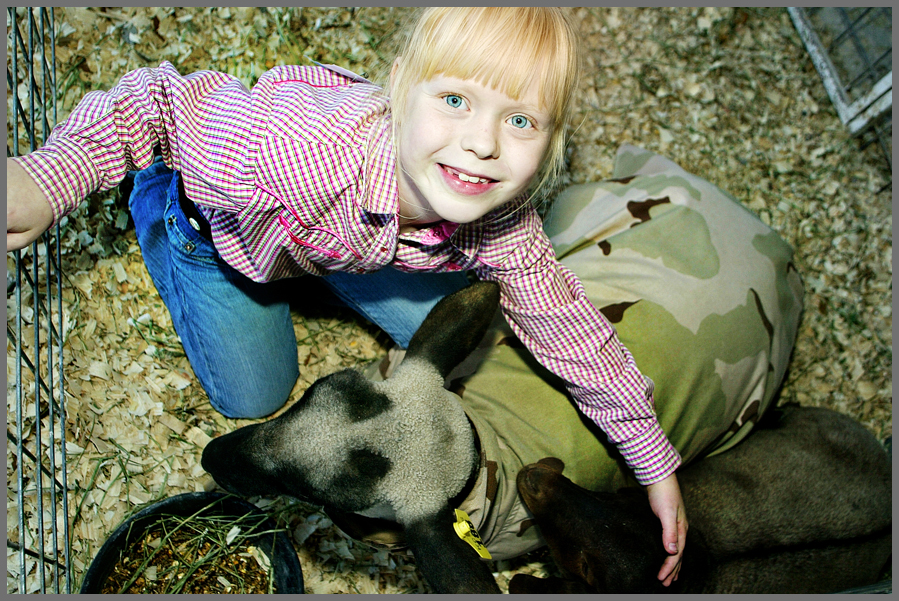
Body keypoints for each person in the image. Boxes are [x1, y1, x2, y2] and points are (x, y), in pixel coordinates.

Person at [7, 7, 686, 585]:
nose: (481, 143)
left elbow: (569, 328)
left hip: (359, 237)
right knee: (252, 396)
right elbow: (154, 101)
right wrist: (54, 174)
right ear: (401, 87)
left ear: (552, 141)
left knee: (472, 332)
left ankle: (338, 253)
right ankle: (161, 206)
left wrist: (651, 459)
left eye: (521, 121)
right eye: (455, 100)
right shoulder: (281, 151)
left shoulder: (498, 217)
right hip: (232, 230)